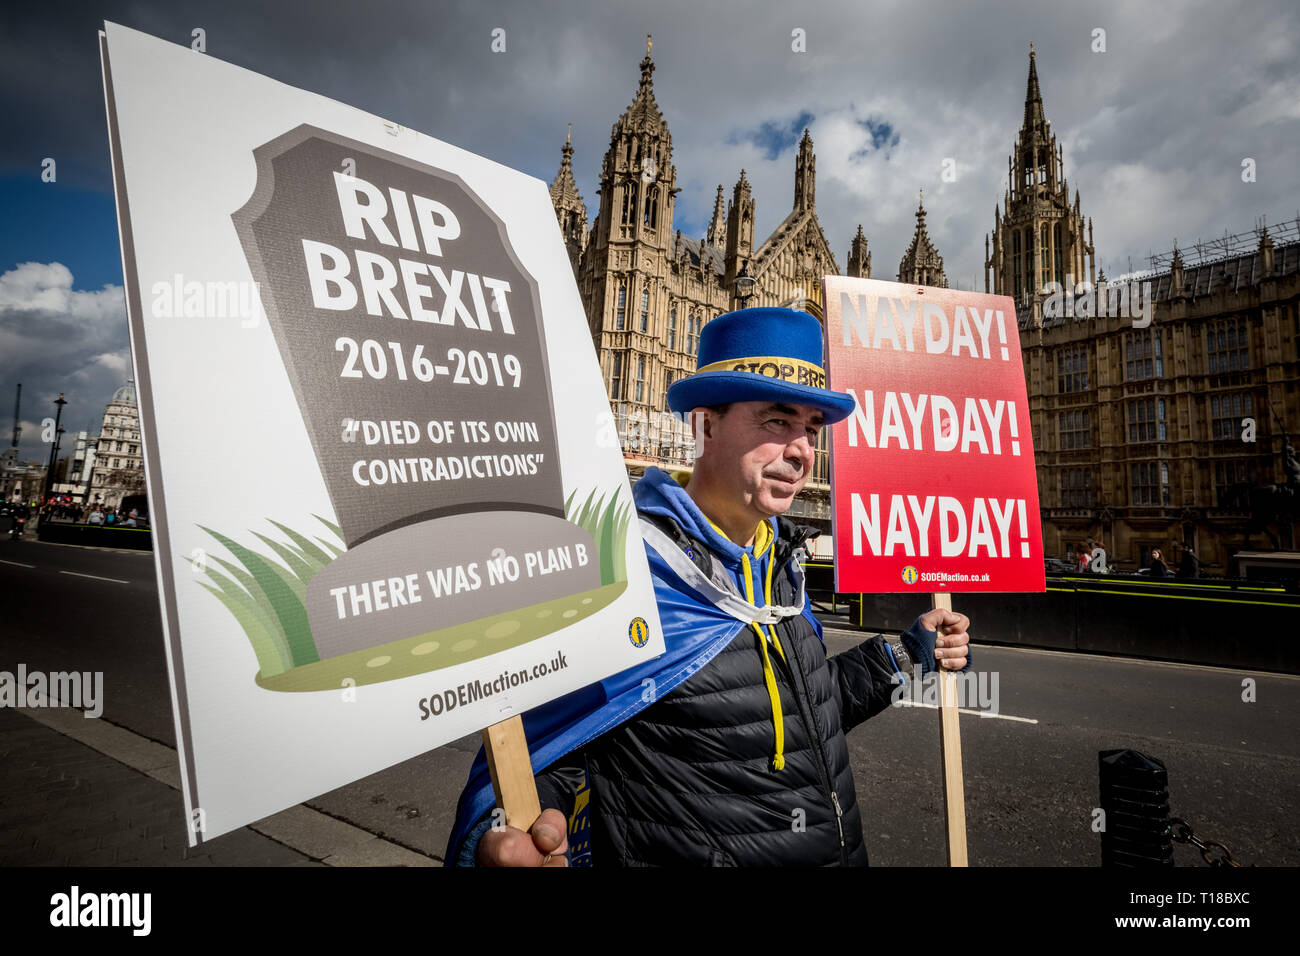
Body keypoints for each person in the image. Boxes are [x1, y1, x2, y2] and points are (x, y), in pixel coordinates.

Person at [446, 307, 972, 867]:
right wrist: (521, 828)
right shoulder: (627, 572)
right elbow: (547, 753)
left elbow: (799, 718)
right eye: (776, 421)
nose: (800, 451)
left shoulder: (779, 565)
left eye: (811, 429)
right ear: (705, 424)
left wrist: (906, 653)